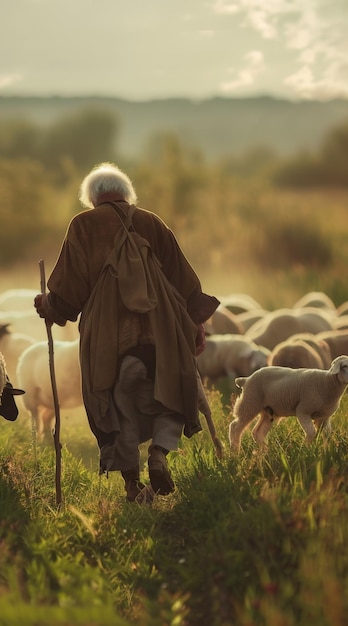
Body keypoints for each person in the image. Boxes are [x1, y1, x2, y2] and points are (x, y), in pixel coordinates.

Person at [34, 162, 219, 503]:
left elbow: (69, 292)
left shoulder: (83, 225)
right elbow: (184, 280)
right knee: (173, 391)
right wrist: (195, 324)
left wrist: (48, 305)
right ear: (127, 195)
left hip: (110, 338)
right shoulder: (152, 222)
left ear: (93, 199)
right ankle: (160, 453)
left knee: (117, 406)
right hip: (161, 330)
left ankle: (132, 485)